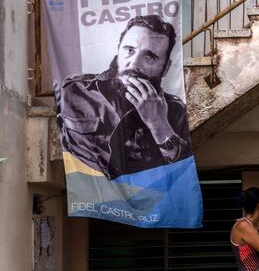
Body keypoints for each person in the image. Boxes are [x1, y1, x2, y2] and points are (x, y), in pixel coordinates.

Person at [55, 15, 190, 179]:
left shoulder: (175, 110)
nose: (134, 63)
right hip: (93, 198)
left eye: (150, 56)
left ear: (166, 68)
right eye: (129, 50)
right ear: (118, 50)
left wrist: (158, 124)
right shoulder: (74, 91)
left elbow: (181, 174)